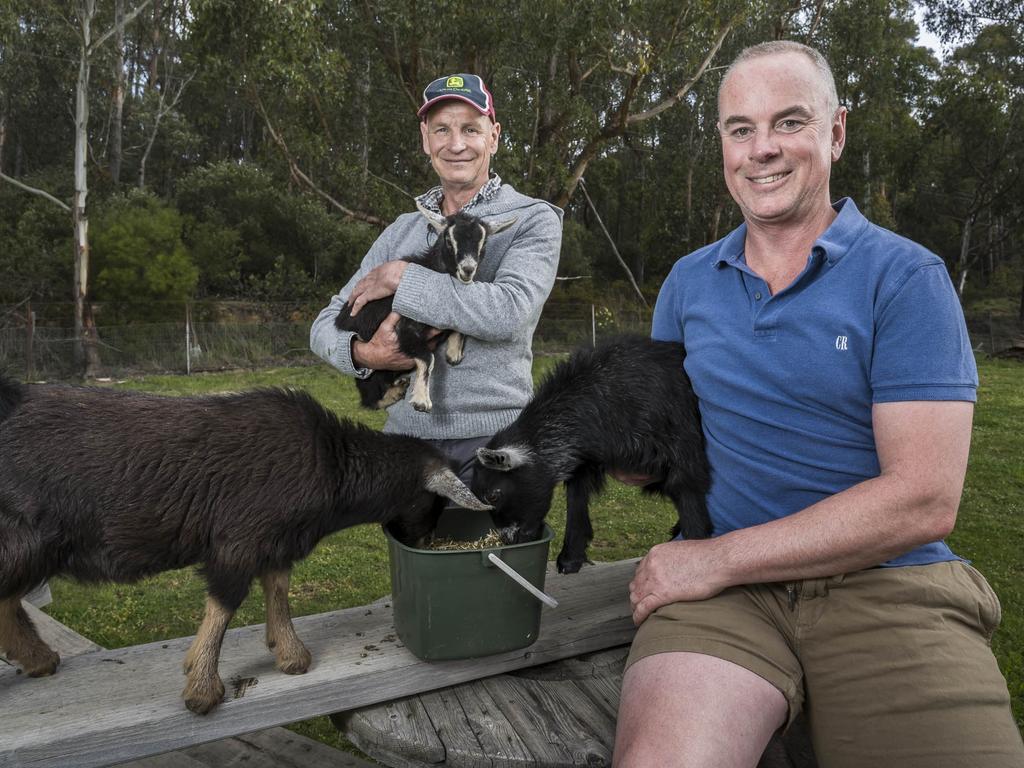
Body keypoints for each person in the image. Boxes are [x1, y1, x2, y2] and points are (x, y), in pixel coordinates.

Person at [612, 41, 1024, 767]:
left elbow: (924, 500)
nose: (761, 149)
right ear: (722, 147)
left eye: (788, 122)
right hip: (726, 608)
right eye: (740, 129)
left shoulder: (905, 279)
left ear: (835, 133)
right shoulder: (686, 283)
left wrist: (715, 560)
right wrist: (613, 443)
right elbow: (663, 452)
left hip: (891, 588)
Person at [310, 74, 562, 480]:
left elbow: (507, 311)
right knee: (411, 546)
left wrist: (401, 278)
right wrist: (363, 354)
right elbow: (324, 325)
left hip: (497, 443)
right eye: (442, 129)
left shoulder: (533, 219)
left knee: (495, 546)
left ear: (493, 137)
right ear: (426, 140)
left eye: (470, 129)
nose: (456, 144)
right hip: (404, 448)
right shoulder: (402, 230)